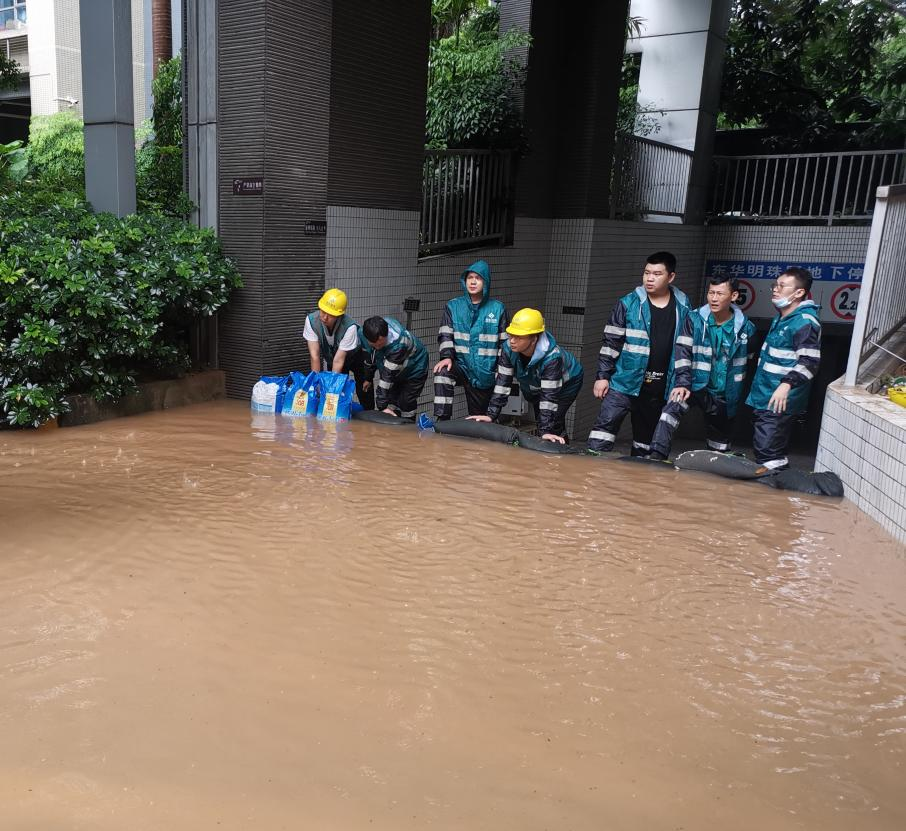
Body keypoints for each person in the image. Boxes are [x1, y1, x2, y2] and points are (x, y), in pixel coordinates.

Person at [587, 251, 694, 456]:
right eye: (646, 273)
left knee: (645, 443)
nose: (649, 278)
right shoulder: (628, 303)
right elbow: (611, 343)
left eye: (657, 274)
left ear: (671, 277)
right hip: (624, 381)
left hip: (660, 386)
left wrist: (681, 381)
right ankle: (590, 469)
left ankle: (638, 473)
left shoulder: (683, 305)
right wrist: (602, 376)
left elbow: (686, 348)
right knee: (603, 432)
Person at [648, 274, 757, 459]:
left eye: (719, 294)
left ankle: (716, 463)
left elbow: (750, 363)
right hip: (692, 384)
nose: (713, 298)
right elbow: (682, 351)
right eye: (711, 293)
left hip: (723, 392)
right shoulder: (694, 319)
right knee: (670, 412)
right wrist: (682, 383)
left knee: (719, 443)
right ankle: (657, 456)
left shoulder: (747, 329)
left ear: (734, 296)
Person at [467, 308, 583, 443]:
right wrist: (491, 415)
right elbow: (502, 382)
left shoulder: (552, 358)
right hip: (537, 385)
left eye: (519, 337)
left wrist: (545, 430)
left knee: (552, 421)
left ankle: (560, 449)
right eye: (511, 335)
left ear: (534, 339)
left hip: (568, 383)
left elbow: (549, 397)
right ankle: (557, 439)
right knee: (544, 421)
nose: (512, 340)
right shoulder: (508, 349)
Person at [745, 266, 821, 471]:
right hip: (766, 395)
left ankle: (776, 482)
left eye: (782, 286)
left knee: (767, 451)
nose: (775, 289)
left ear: (799, 292)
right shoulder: (783, 318)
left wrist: (786, 385)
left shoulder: (803, 322)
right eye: (775, 285)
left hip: (780, 399)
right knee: (768, 451)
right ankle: (777, 482)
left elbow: (810, 362)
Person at [432, 260, 508, 420]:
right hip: (462, 366)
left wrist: (499, 370)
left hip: (484, 373)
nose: (473, 282)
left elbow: (505, 345)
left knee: (478, 420)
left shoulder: (497, 309)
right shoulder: (453, 306)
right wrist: (446, 356)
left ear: (486, 282)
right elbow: (445, 334)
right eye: (470, 278)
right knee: (443, 372)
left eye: (478, 278)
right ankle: (442, 421)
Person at [303, 288, 374, 410]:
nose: (325, 317)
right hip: (333, 357)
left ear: (339, 315)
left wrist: (331, 389)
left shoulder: (350, 327)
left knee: (364, 388)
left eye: (330, 315)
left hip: (356, 357)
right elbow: (315, 356)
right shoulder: (311, 321)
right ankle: (340, 414)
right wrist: (316, 384)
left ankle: (369, 414)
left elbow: (339, 360)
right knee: (338, 391)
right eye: (323, 311)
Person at [360, 316, 429, 418]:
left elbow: (387, 376)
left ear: (387, 333)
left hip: (416, 368)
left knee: (406, 401)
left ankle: (408, 424)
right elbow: (371, 356)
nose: (378, 346)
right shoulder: (364, 333)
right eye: (374, 344)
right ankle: (393, 423)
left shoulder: (399, 344)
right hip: (397, 369)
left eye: (381, 342)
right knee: (391, 401)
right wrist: (368, 378)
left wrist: (381, 407)